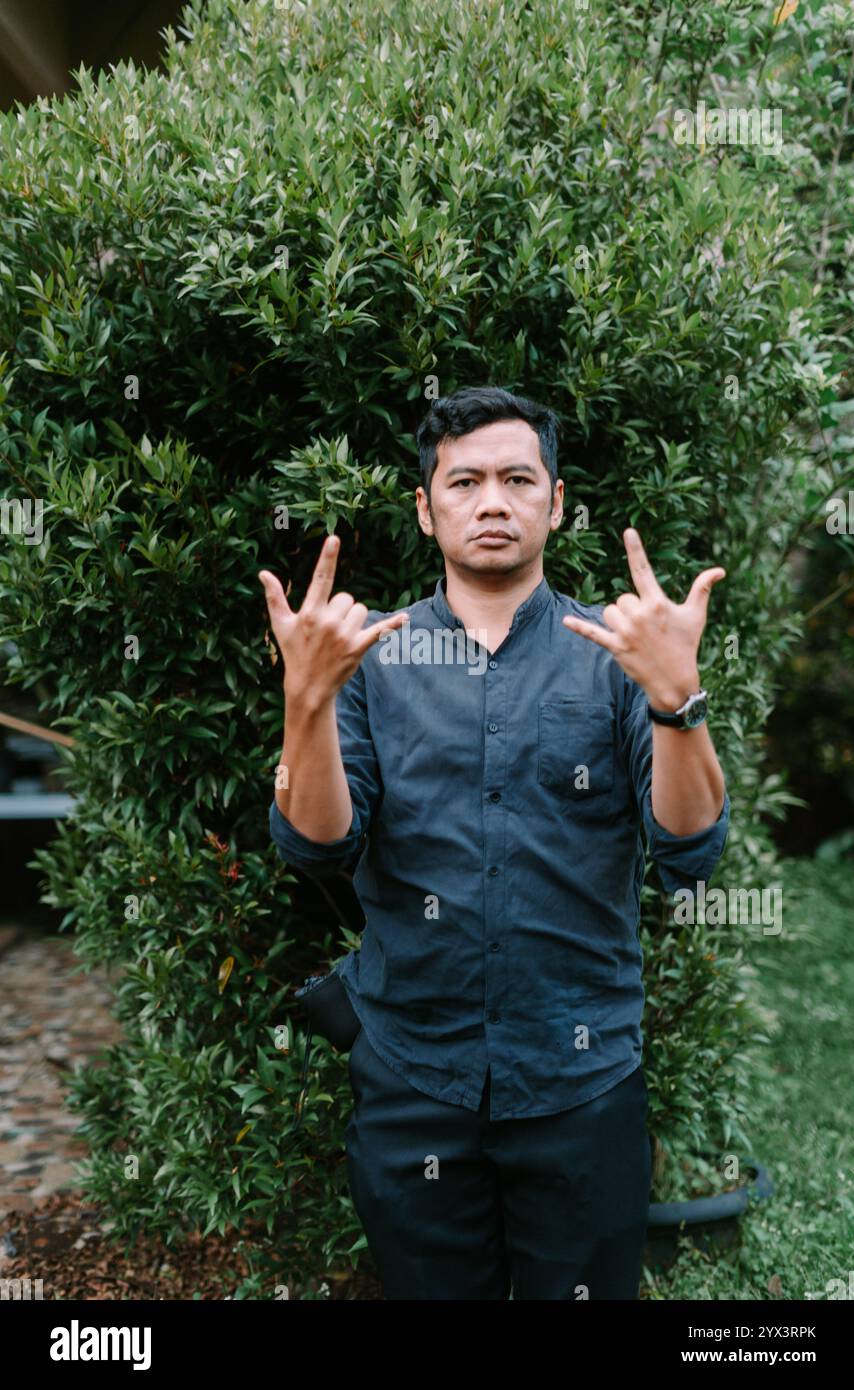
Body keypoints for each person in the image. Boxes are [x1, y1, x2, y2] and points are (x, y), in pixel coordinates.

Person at [259, 385, 730, 1300]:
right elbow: (316, 847)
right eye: (464, 480)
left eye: (519, 478)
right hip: (413, 1076)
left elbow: (691, 850)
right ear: (426, 509)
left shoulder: (617, 653)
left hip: (581, 1076)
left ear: (555, 503)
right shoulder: (373, 658)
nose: (492, 501)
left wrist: (678, 700)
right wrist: (305, 700)